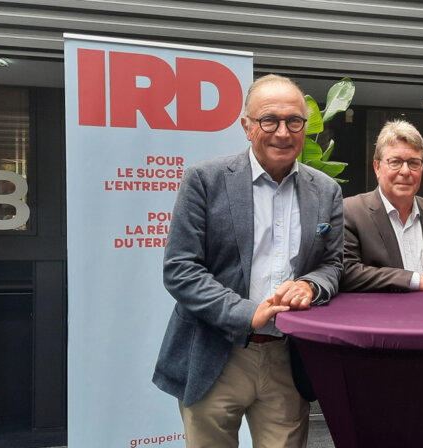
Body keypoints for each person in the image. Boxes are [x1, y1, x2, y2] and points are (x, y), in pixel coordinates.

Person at [152, 74, 343, 447]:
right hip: (215, 351)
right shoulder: (204, 180)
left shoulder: (326, 190)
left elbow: (332, 265)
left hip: (287, 357)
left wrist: (310, 285)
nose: (283, 133)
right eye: (269, 120)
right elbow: (181, 269)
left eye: (294, 121)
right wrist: (245, 313)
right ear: (247, 126)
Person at [341, 119, 423, 292]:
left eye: (414, 163)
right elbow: (347, 272)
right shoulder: (351, 211)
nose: (405, 171)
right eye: (395, 162)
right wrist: (414, 280)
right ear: (377, 167)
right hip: (378, 317)